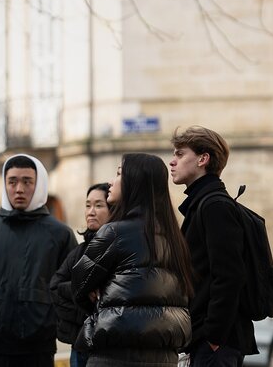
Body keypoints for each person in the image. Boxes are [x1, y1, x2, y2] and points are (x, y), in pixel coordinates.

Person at [71, 153, 193, 367]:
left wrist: (99, 296)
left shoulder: (114, 232)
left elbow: (79, 284)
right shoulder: (174, 238)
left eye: (118, 173)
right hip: (164, 356)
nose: (111, 181)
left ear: (134, 183)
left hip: (114, 354)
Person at [0, 154, 78, 367]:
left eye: (27, 181)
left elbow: (73, 285)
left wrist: (51, 320)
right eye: (12, 181)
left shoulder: (60, 235)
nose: (19, 189)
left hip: (37, 348)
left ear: (39, 185)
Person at [170, 126, 257, 366]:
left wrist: (214, 337)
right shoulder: (202, 204)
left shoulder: (214, 206)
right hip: (207, 341)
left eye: (179, 154)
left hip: (218, 343)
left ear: (203, 159)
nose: (172, 161)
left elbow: (229, 275)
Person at [50, 183, 111, 367]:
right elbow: (55, 287)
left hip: (112, 348)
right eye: (88, 205)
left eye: (99, 205)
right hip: (80, 347)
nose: (91, 212)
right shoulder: (79, 252)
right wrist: (83, 298)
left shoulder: (120, 247)